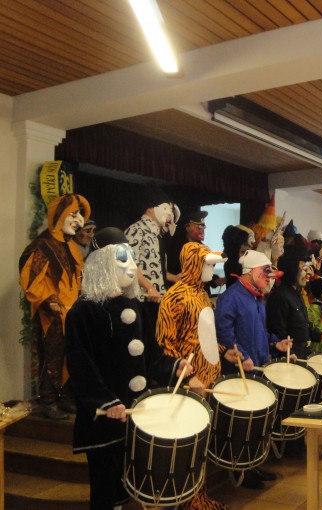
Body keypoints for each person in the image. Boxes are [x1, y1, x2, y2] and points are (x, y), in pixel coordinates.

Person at [64, 227, 200, 510]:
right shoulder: (83, 311)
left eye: (132, 259)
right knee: (105, 489)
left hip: (136, 413)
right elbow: (81, 366)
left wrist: (175, 366)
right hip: (105, 417)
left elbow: (151, 356)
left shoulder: (135, 306)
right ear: (102, 263)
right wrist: (104, 401)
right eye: (122, 259)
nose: (131, 267)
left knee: (130, 486)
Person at [156, 241, 235, 509]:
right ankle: (190, 501)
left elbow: (203, 335)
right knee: (191, 445)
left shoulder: (201, 294)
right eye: (207, 264)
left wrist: (223, 352)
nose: (211, 269)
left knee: (203, 444)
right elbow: (165, 343)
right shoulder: (174, 297)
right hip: (191, 383)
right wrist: (187, 377)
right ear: (193, 264)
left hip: (210, 378)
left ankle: (199, 497)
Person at [214, 249, 290, 489]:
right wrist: (242, 356)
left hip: (258, 368)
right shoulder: (230, 298)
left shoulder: (258, 298)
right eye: (266, 273)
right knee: (242, 424)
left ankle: (252, 464)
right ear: (251, 272)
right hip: (238, 371)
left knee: (256, 423)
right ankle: (240, 470)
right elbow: (224, 335)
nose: (270, 278)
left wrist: (275, 343)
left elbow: (261, 332)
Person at [19, 193, 91, 420]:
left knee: (71, 355)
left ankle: (65, 397)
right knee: (52, 356)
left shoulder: (72, 248)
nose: (78, 220)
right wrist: (49, 301)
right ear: (58, 215)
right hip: (51, 315)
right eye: (73, 214)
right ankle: (48, 401)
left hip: (72, 312)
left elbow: (78, 280)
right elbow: (30, 278)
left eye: (79, 215)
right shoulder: (42, 246)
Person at [124, 186, 180, 329]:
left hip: (157, 299)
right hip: (141, 300)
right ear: (150, 210)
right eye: (165, 208)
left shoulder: (157, 235)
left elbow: (155, 269)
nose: (169, 214)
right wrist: (149, 288)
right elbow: (130, 265)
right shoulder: (136, 230)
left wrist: (174, 277)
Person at [266, 243, 317, 361]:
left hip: (303, 354)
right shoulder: (280, 296)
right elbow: (278, 331)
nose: (309, 273)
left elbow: (302, 324)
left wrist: (318, 335)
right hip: (291, 358)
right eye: (304, 269)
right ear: (292, 269)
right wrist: (289, 352)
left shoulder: (297, 294)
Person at [166, 210, 226, 290]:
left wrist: (215, 280)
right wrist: (174, 277)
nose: (202, 230)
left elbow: (203, 273)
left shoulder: (204, 248)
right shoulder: (175, 247)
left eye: (203, 227)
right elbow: (164, 270)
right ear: (188, 228)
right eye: (199, 227)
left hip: (201, 293)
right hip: (182, 292)